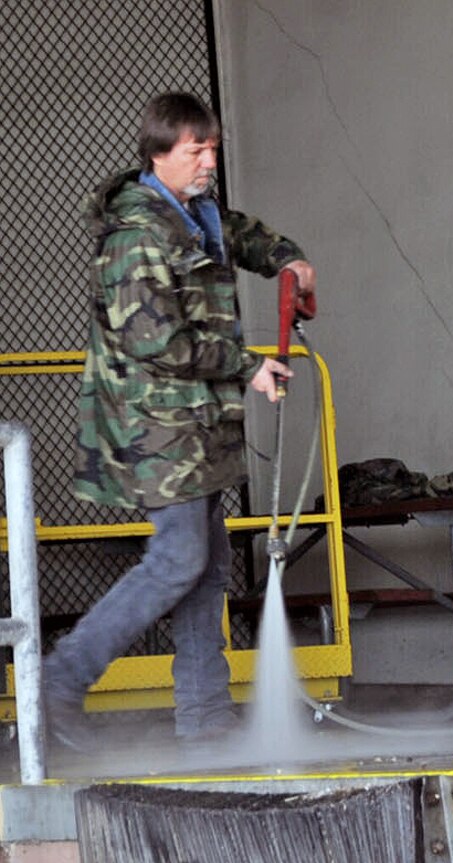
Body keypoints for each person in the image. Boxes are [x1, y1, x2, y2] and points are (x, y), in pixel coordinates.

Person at [43, 92, 314, 746]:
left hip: (200, 426)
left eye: (213, 148)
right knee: (177, 559)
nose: (209, 161)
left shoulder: (194, 214)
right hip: (160, 427)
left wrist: (290, 260)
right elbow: (153, 341)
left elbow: (242, 232)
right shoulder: (136, 237)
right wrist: (245, 365)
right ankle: (59, 679)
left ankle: (205, 718)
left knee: (207, 565)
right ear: (158, 153)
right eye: (196, 150)